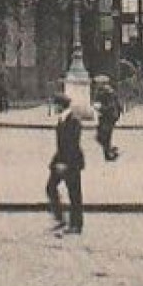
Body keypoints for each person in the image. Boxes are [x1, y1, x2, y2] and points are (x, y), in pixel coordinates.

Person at [46, 94, 85, 234]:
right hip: (61, 160)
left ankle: (76, 225)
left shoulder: (73, 120)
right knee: (50, 188)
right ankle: (60, 218)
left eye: (55, 105)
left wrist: (64, 163)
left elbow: (72, 145)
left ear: (60, 106)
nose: (53, 107)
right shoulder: (63, 119)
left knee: (74, 194)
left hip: (71, 162)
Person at [92, 75, 121, 162]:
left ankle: (110, 153)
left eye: (98, 83)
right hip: (104, 117)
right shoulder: (102, 91)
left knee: (103, 136)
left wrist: (100, 107)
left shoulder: (108, 93)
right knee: (103, 136)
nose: (97, 85)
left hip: (108, 117)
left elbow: (111, 107)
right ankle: (110, 153)